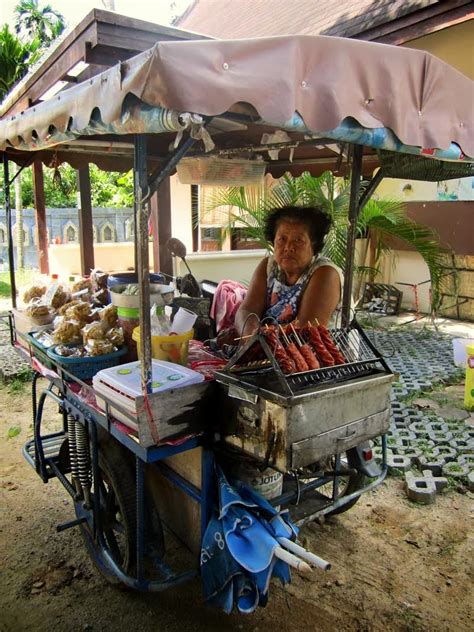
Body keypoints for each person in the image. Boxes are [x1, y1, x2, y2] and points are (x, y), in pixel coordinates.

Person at [235, 205, 343, 337]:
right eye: (282, 239)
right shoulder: (269, 266)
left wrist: (258, 337)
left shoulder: (326, 274)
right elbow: (246, 310)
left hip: (315, 353)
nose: (288, 247)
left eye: (298, 240)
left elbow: (306, 328)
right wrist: (250, 335)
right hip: (268, 348)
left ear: (313, 244)